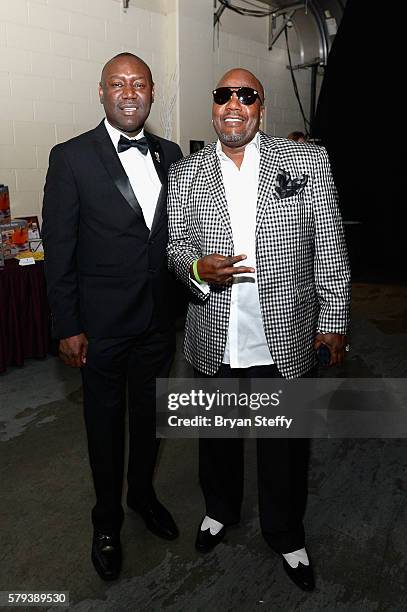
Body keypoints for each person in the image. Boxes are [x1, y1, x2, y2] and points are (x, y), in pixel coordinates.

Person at [167, 68, 351, 592]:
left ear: (260, 108)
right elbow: (175, 245)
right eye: (223, 95)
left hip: (286, 332)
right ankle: (219, 510)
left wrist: (334, 321)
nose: (233, 104)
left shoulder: (305, 161)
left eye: (245, 96)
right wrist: (199, 268)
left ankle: (286, 531)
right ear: (213, 107)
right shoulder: (187, 172)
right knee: (217, 436)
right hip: (215, 330)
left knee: (284, 444)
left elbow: (331, 248)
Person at [42, 53, 183, 581]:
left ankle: (143, 498)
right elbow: (60, 249)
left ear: (152, 93)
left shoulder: (172, 155)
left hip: (157, 323)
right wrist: (67, 324)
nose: (129, 92)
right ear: (101, 93)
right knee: (104, 427)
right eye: (118, 84)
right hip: (99, 328)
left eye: (139, 84)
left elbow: (177, 238)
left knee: (150, 420)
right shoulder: (72, 156)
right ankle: (106, 522)